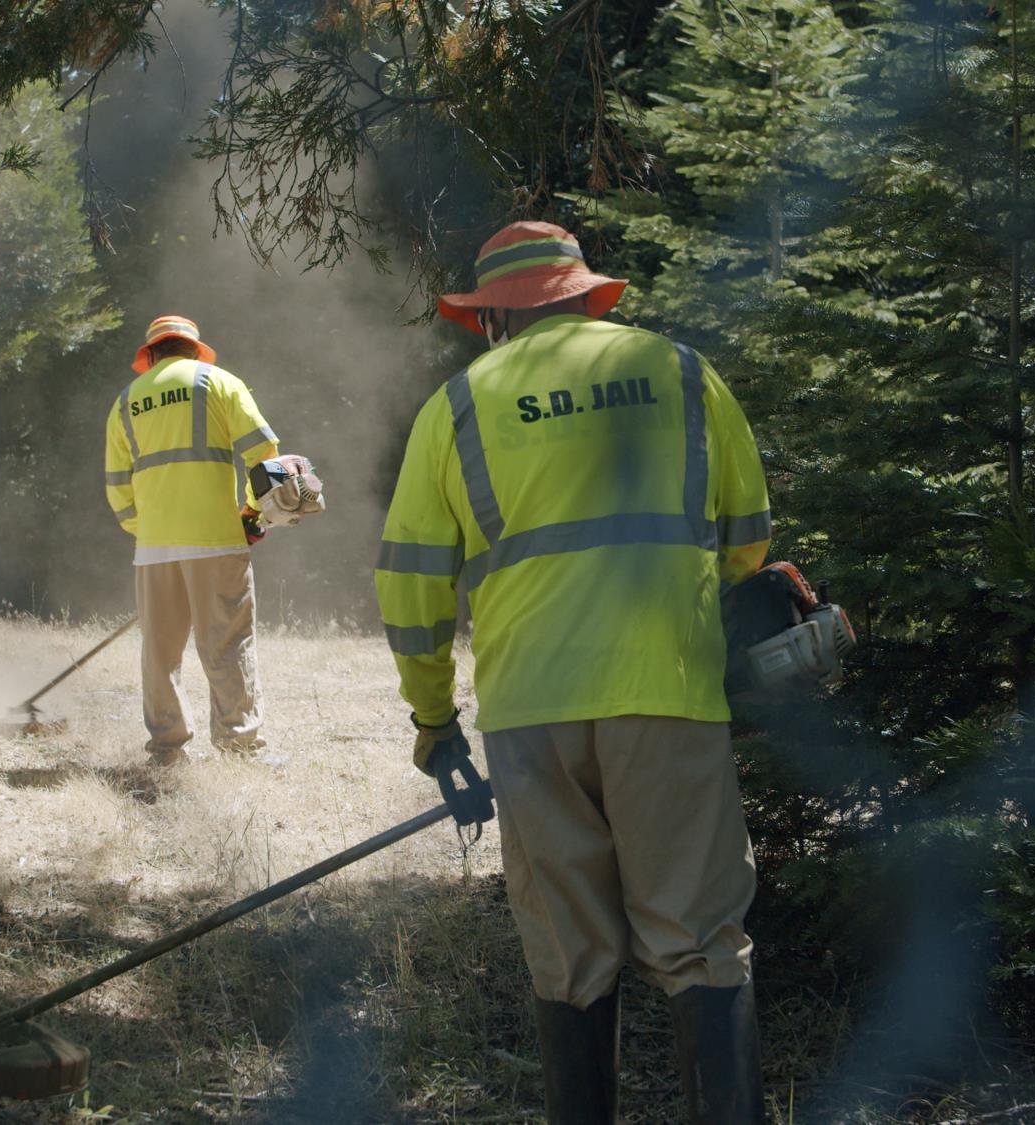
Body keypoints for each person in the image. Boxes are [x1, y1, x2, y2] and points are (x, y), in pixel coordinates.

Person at [374, 222, 774, 1122]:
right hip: (665, 694)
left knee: (569, 954)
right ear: (587, 294)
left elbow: (409, 586)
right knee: (701, 942)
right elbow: (748, 544)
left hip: (530, 716)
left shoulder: (459, 406)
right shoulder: (680, 372)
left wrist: (434, 723)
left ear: (493, 321)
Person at [105, 314, 279, 765]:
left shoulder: (126, 400)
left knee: (159, 653)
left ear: (152, 354)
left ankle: (165, 749)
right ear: (192, 348)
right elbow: (264, 454)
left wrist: (142, 532)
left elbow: (117, 485)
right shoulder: (219, 382)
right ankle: (239, 746)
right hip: (216, 541)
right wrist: (252, 513)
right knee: (227, 643)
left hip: (154, 548)